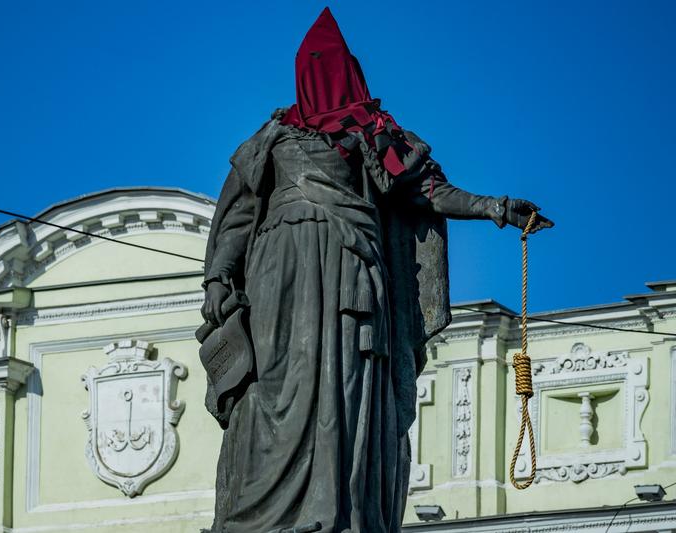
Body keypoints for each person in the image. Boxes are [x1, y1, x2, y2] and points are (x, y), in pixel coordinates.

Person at [200, 8, 553, 533]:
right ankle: (267, 511)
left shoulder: (375, 137)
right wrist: (216, 279)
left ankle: (340, 507)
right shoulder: (272, 139)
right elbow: (237, 215)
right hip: (283, 284)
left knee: (346, 388)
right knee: (277, 389)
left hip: (350, 282)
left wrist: (496, 208)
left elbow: (430, 192)